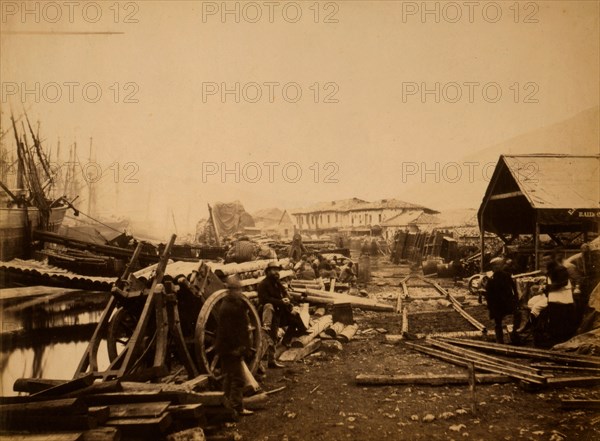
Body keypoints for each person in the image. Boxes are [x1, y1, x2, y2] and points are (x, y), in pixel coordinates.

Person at [215, 275, 254, 416]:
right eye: (237, 290)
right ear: (230, 290)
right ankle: (236, 407)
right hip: (231, 349)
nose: (239, 292)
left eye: (240, 289)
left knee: (229, 377)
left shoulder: (232, 304)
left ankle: (224, 405)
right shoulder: (229, 308)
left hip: (229, 348)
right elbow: (230, 332)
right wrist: (238, 348)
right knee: (237, 379)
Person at [257, 262, 307, 368]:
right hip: (270, 313)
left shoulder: (278, 283)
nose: (276, 272)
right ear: (268, 272)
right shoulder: (263, 284)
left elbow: (286, 296)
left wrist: (291, 306)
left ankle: (285, 342)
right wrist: (281, 302)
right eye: (273, 270)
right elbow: (264, 300)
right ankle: (271, 360)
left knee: (297, 322)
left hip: (281, 311)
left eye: (277, 270)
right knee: (272, 335)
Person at [484, 257, 521, 343]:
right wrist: (490, 307)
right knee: (498, 322)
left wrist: (515, 300)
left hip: (507, 303)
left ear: (501, 266)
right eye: (494, 266)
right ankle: (499, 339)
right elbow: (488, 295)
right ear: (492, 268)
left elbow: (514, 289)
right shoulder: (491, 279)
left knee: (518, 314)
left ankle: (514, 333)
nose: (496, 268)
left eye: (498, 266)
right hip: (497, 304)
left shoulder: (506, 276)